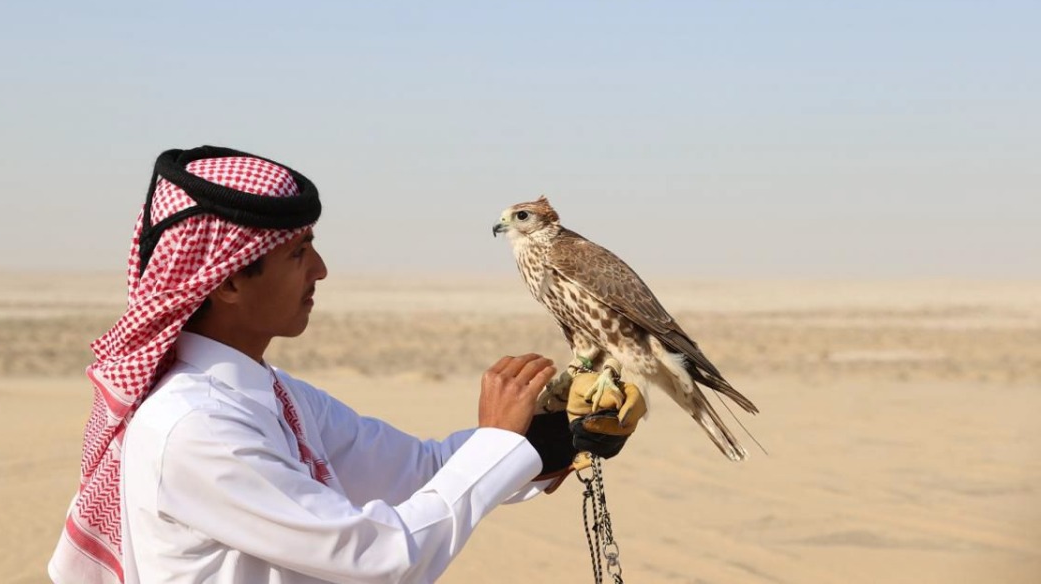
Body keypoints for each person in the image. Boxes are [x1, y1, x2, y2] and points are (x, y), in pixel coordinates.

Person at [49, 146, 636, 584]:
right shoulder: (196, 429)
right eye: (298, 253)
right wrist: (497, 443)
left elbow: (420, 469)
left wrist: (556, 435)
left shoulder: (272, 395)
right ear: (227, 282)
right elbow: (379, 557)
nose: (321, 270)